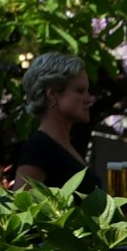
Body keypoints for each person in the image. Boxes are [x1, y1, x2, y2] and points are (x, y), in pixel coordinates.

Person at [12, 51, 102, 193]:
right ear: (52, 94)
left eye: (87, 91)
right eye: (80, 91)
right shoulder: (39, 147)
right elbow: (21, 208)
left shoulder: (64, 146)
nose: (89, 99)